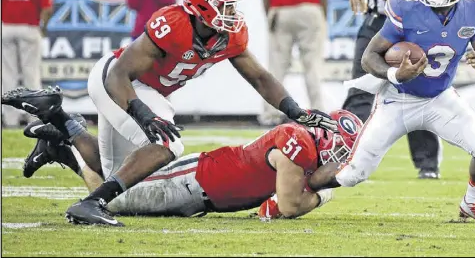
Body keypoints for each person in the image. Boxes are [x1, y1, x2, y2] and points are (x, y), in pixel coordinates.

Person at [2, 0, 338, 226]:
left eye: (231, 4)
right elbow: (121, 73)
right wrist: (142, 113)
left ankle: (62, 129)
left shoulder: (229, 34)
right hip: (117, 81)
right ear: (201, 6)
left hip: (144, 90)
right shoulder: (173, 23)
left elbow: (260, 77)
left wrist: (296, 111)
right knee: (168, 144)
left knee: (113, 171)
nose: (231, 12)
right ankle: (91, 203)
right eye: (224, 5)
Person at [307, 0, 475, 224]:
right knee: (353, 173)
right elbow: (369, 57)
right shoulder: (407, 6)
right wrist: (394, 76)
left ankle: (471, 203)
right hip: (397, 100)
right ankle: (292, 191)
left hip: (440, 98)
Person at [2, 88, 362, 224]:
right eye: (342, 151)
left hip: (201, 186)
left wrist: (316, 187)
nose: (341, 161)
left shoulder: (305, 145)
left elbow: (286, 199)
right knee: (109, 196)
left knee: (113, 174)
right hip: (191, 182)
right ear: (326, 137)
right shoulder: (296, 142)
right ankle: (65, 132)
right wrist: (328, 191)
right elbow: (288, 206)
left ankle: (63, 138)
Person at [341, 0, 442, 179]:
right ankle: (345, 151)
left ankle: (427, 164)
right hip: (376, 22)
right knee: (360, 88)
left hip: (413, 26)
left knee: (419, 91)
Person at [1, 0, 53, 128]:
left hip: (6, 28)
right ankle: (34, 119)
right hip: (30, 28)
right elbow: (47, 9)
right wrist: (43, 28)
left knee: (8, 76)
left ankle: (10, 120)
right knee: (31, 74)